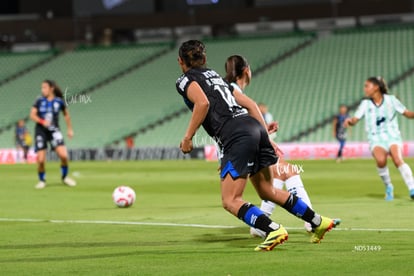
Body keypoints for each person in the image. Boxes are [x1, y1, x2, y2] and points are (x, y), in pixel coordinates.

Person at [176, 40, 340, 251]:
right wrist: (266, 137)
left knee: (230, 200)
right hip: (253, 127)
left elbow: (203, 103)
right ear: (205, 59)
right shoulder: (216, 76)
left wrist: (188, 137)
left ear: (181, 61)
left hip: (235, 135)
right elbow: (251, 105)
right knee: (267, 191)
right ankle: (319, 222)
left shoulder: (185, 80)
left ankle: (273, 230)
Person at [224, 55, 314, 237]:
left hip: (243, 148)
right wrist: (265, 136)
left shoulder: (231, 92)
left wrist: (264, 131)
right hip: (245, 149)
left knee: (277, 181)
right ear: (246, 71)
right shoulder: (232, 92)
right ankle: (311, 220)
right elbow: (235, 121)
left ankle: (308, 220)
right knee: (282, 174)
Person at [344, 76, 414, 200]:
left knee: (398, 160)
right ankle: (388, 186)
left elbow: (406, 113)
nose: (364, 89)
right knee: (381, 161)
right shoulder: (365, 104)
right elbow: (355, 119)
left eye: (367, 86)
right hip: (375, 138)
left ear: (376, 87)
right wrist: (350, 121)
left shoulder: (391, 100)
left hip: (392, 136)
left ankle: (412, 188)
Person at [30, 80, 76, 189]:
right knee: (41, 160)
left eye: (45, 87)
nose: (43, 90)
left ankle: (65, 177)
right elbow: (32, 115)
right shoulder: (39, 100)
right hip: (41, 131)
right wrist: (42, 121)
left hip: (54, 131)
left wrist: (70, 129)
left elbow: (66, 115)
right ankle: (42, 180)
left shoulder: (59, 101)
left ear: (51, 88)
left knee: (64, 156)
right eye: (42, 88)